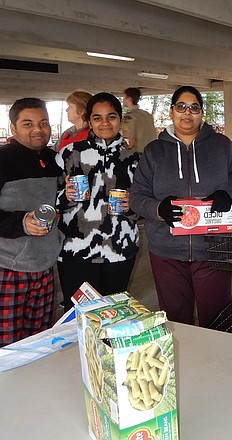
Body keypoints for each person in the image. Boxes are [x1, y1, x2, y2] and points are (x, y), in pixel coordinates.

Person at [130, 85, 232, 327]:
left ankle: (217, 363)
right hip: (166, 252)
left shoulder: (221, 145)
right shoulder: (154, 151)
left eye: (194, 108)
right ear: (171, 111)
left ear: (201, 113)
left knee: (217, 318)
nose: (187, 113)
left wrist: (227, 193)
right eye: (181, 107)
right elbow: (137, 196)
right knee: (176, 320)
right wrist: (158, 209)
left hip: (213, 249)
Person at [0, 98, 64, 350]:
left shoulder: (55, 160)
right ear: (13, 128)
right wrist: (20, 223)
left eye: (43, 123)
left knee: (37, 343)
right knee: (2, 346)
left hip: (42, 265)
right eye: (28, 123)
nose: (37, 129)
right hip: (4, 265)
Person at [56, 92, 141, 310]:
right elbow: (48, 201)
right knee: (77, 318)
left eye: (111, 116)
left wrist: (133, 207)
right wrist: (64, 196)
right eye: (97, 117)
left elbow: (146, 202)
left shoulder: (135, 158)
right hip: (76, 251)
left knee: (114, 315)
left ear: (120, 120)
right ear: (90, 121)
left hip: (120, 250)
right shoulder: (69, 154)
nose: (105, 123)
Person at [122, 87, 156, 153]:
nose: (123, 100)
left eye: (124, 97)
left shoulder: (129, 116)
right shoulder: (147, 115)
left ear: (129, 99)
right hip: (152, 152)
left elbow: (130, 141)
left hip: (138, 154)